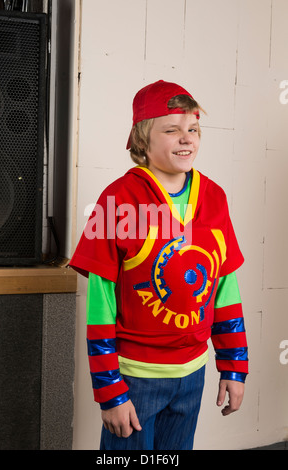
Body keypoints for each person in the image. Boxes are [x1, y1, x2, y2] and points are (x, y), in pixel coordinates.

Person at [70, 80, 248, 450]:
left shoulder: (213, 197)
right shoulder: (118, 198)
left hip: (192, 374)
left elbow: (225, 288)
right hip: (136, 378)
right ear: (142, 140)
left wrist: (233, 365)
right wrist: (110, 392)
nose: (186, 139)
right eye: (171, 129)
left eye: (193, 129)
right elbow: (100, 304)